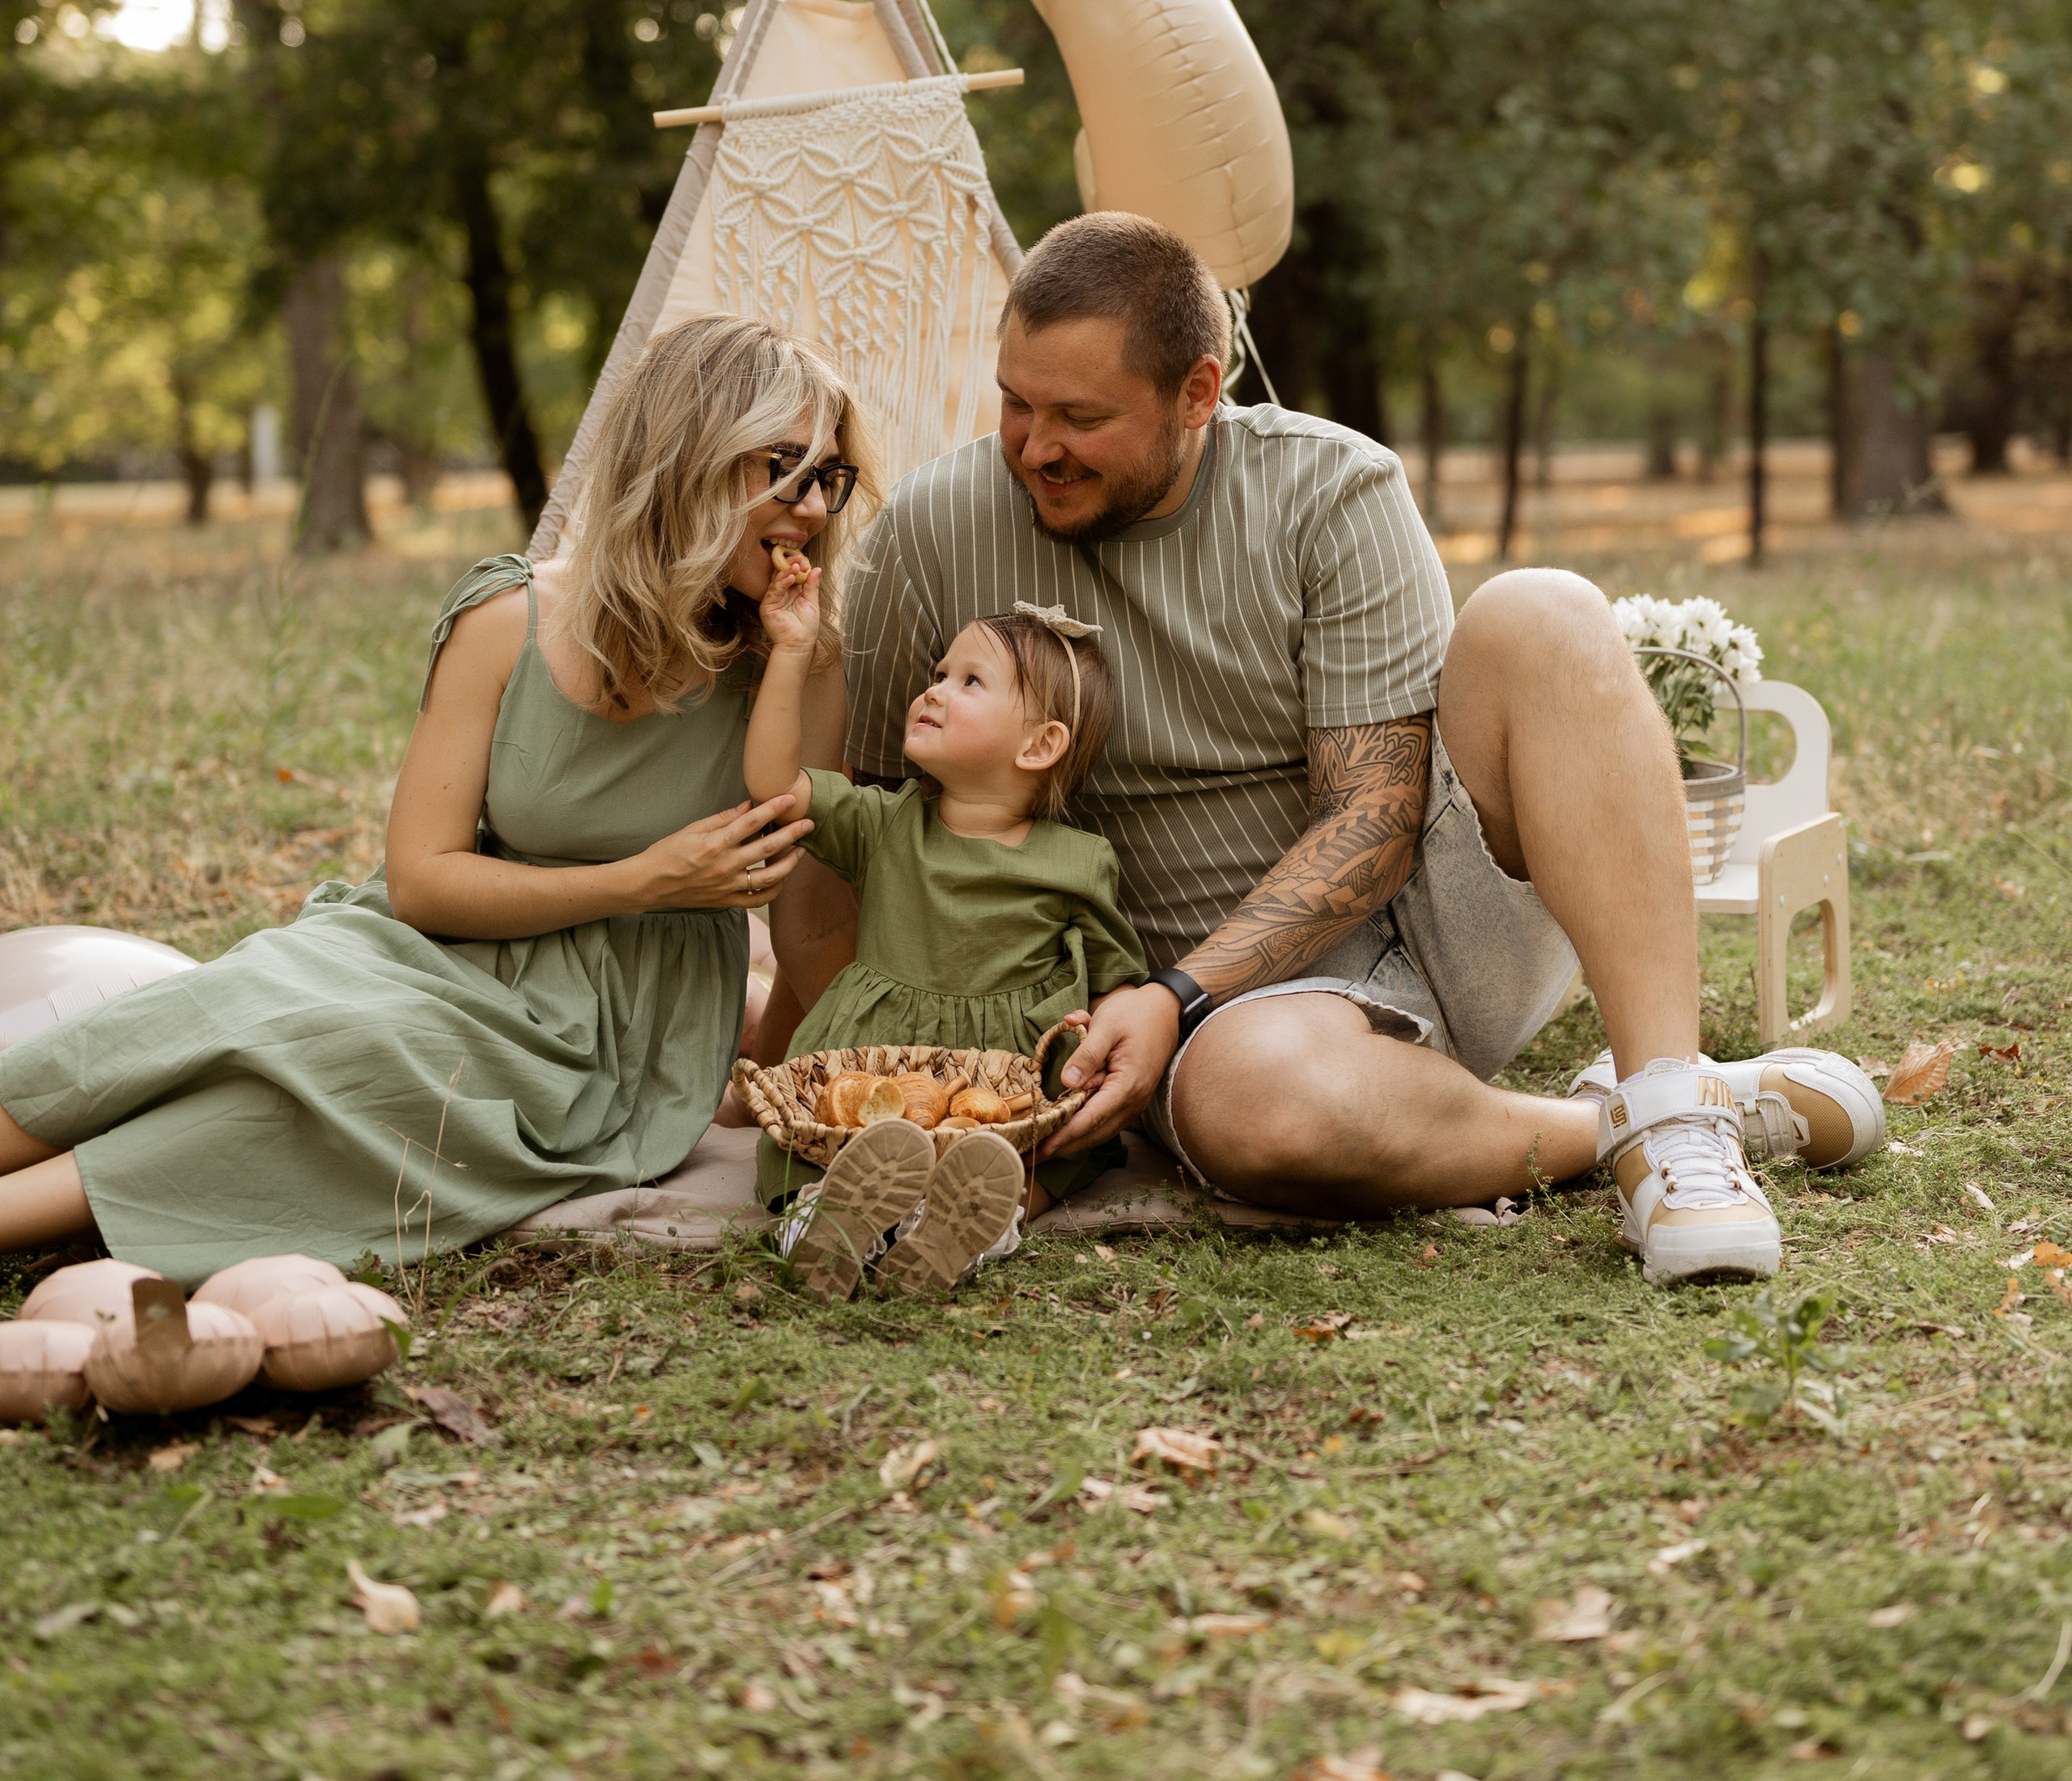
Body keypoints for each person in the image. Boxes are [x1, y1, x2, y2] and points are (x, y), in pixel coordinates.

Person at [827, 212, 1885, 1287]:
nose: (1035, 447)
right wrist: (825, 1059)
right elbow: (866, 821)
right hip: (1204, 1041)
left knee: (1545, 611)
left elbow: (1374, 821)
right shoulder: (931, 530)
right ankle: (1665, 1119)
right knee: (1259, 1102)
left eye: (1080, 416)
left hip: (1414, 930)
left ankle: (1668, 1100)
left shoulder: (1330, 489)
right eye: (1015, 403)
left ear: (1199, 393)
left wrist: (1178, 992)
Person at [0, 315, 873, 1280]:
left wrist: (771, 1087)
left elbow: (810, 925)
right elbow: (419, 882)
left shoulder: (798, 665)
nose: (813, 508)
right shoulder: (509, 619)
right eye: (781, 465)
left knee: (340, 1063)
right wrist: (643, 876)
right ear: (682, 461)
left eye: (827, 476)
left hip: (597, 1041)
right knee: (225, 1007)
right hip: (431, 944)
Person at [741, 563, 1144, 1296]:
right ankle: (825, 1229)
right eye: (938, 671)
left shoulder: (1080, 862)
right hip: (875, 1073)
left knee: (1025, 1159)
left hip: (1001, 1082)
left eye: (970, 682)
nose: (933, 688)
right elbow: (775, 785)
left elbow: (1119, 981)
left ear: (1038, 745)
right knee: (821, 1151)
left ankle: (965, 1230)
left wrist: (1100, 1023)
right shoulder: (886, 822)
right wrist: (791, 652)